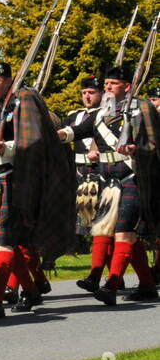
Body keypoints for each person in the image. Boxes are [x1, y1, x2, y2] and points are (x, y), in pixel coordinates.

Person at [0, 61, 75, 319]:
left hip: (12, 180)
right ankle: (30, 291)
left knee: (5, 242)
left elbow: (35, 140)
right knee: (8, 242)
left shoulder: (21, 108)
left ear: (8, 81)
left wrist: (7, 148)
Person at [60, 66, 157, 305]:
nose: (108, 88)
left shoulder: (142, 107)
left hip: (131, 177)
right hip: (107, 181)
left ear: (126, 86)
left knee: (123, 232)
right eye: (106, 85)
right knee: (115, 233)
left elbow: (155, 144)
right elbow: (79, 131)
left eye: (112, 84)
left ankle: (111, 285)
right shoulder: (103, 110)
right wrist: (58, 134)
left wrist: (138, 149)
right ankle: (147, 285)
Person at [63, 76, 111, 293]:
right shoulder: (74, 116)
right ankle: (132, 280)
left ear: (101, 93)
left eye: (91, 92)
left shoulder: (110, 116)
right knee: (96, 229)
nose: (87, 96)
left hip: (103, 174)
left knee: (107, 228)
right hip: (80, 177)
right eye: (84, 92)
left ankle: (97, 276)